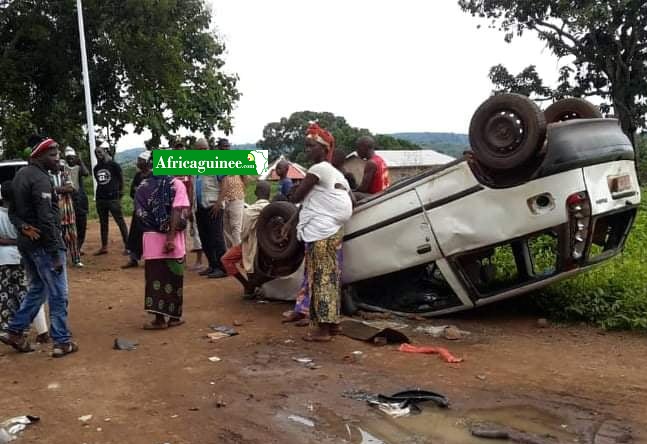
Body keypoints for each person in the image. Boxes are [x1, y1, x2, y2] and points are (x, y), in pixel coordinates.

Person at [0, 138, 78, 357]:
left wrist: (23, 227)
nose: (57, 159)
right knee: (58, 292)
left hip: (28, 246)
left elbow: (12, 212)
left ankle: (15, 330)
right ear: (38, 157)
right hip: (45, 246)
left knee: (38, 289)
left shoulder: (20, 176)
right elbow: (46, 219)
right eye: (53, 155)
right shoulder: (41, 180)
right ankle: (62, 341)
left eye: (57, 154)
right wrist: (55, 252)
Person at [282, 124, 353, 342]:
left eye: (310, 146)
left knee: (320, 278)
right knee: (330, 278)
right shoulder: (336, 173)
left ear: (323, 149)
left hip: (320, 232)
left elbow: (295, 197)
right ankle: (332, 325)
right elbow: (353, 199)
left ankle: (322, 330)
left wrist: (295, 191)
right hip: (333, 231)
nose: (306, 150)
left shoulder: (318, 169)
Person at [135, 160, 190, 329]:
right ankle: (174, 318)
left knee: (155, 280)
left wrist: (157, 228)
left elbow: (140, 214)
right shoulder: (177, 185)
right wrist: (170, 238)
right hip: (174, 242)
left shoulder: (142, 187)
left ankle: (159, 320)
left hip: (152, 241)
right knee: (174, 279)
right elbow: (177, 210)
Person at [0, 180, 49, 344]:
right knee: (31, 295)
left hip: (2, 260)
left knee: (6, 296)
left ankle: (8, 330)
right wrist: (16, 241)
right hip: (21, 257)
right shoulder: (23, 214)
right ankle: (41, 331)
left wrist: (6, 241)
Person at [220, 180, 271, 299]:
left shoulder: (250, 211)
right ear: (269, 194)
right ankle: (253, 286)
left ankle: (247, 285)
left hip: (253, 244)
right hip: (270, 246)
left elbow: (243, 234)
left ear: (255, 193)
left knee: (226, 259)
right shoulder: (273, 208)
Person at [194, 138, 227, 279]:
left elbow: (224, 183)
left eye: (204, 149)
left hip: (214, 206)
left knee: (217, 238)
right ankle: (212, 265)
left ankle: (222, 268)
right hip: (200, 207)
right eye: (199, 149)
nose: (202, 151)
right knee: (204, 237)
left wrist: (219, 203)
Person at [93, 146, 129, 255]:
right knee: (103, 223)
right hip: (101, 199)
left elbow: (121, 178)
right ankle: (104, 247)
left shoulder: (114, 165)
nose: (97, 154)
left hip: (113, 198)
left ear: (105, 152)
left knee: (120, 222)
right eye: (96, 152)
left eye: (99, 152)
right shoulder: (96, 168)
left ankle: (128, 246)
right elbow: (99, 181)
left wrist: (120, 192)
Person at [122, 151, 152, 269]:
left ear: (147, 162)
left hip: (150, 211)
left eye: (141, 160)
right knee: (135, 234)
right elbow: (132, 192)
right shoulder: (137, 176)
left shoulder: (153, 175)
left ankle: (150, 259)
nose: (138, 162)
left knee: (149, 235)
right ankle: (133, 259)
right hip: (138, 210)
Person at [51, 160, 82, 267]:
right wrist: (62, 189)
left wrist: (55, 190)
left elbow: (70, 188)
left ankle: (76, 259)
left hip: (68, 212)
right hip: (55, 213)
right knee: (58, 237)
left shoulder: (65, 175)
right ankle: (60, 259)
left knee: (73, 236)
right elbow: (50, 190)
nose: (59, 166)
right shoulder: (47, 176)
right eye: (57, 164)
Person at [64, 147, 89, 254]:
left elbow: (86, 173)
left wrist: (80, 161)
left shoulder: (79, 168)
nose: (70, 160)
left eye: (72, 158)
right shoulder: (63, 168)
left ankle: (78, 247)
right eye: (68, 158)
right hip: (68, 201)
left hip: (80, 200)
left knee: (81, 225)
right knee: (69, 225)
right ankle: (72, 247)